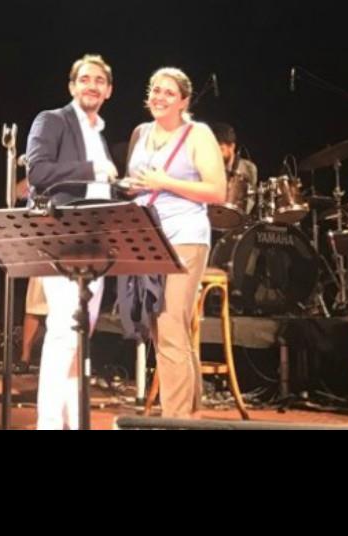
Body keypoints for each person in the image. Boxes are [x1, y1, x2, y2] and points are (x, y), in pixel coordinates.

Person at [121, 67, 227, 419]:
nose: (159, 97)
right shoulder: (140, 133)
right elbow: (137, 183)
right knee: (163, 329)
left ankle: (176, 419)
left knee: (169, 325)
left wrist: (165, 182)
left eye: (168, 92)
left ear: (184, 101)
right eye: (155, 90)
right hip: (146, 236)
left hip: (185, 236)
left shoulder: (198, 134)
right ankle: (189, 417)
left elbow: (217, 191)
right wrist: (129, 187)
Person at [23, 54, 117, 429]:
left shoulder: (99, 136)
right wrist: (92, 169)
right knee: (64, 330)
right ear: (72, 86)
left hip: (97, 238)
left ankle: (75, 422)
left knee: (80, 336)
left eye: (99, 81)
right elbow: (37, 172)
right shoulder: (53, 120)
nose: (91, 85)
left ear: (109, 91)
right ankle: (49, 424)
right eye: (85, 79)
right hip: (61, 233)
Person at [209, 122, 257, 214]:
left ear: (232, 147)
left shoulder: (248, 168)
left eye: (221, 149)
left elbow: (250, 201)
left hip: (236, 217)